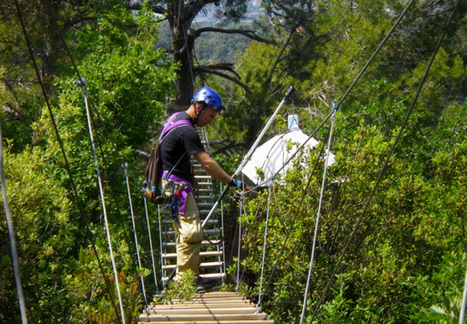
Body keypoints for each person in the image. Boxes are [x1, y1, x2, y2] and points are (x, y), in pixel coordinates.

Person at [159, 86, 244, 282]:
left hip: (171, 183)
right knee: (192, 232)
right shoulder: (187, 131)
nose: (211, 121)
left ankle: (189, 275)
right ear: (198, 107)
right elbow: (206, 163)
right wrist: (232, 182)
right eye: (210, 116)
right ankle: (186, 282)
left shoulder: (176, 117)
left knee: (185, 231)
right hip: (176, 186)